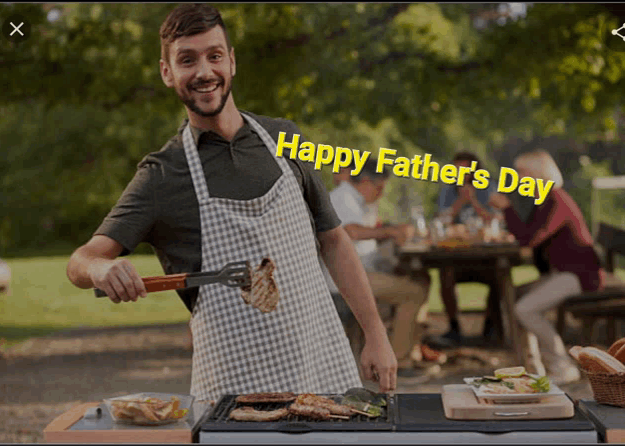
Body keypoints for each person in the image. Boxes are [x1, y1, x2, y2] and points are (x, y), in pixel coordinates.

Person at [65, 3, 398, 401]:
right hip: (234, 395)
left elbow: (334, 242)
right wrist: (101, 269)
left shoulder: (284, 139)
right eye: (187, 60)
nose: (204, 72)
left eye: (214, 56)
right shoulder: (163, 174)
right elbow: (80, 261)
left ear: (232, 62)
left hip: (321, 366)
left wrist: (376, 334)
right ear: (167, 73)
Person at [488, 149, 605, 384]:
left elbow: (529, 239)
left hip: (579, 276)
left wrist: (507, 208)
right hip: (562, 273)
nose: (518, 176)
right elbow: (528, 234)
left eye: (522, 171)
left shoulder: (556, 200)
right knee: (514, 295)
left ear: (537, 173)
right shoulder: (545, 199)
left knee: (524, 308)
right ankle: (531, 365)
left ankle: (561, 366)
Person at [323, 159, 446, 379]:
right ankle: (401, 359)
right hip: (345, 279)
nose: (380, 194)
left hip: (360, 272)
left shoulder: (355, 200)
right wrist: (390, 232)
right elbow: (352, 232)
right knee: (413, 291)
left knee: (420, 280)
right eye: (379, 188)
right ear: (367, 182)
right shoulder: (343, 197)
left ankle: (413, 349)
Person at [435, 152, 499, 346]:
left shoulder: (488, 188)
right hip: (455, 256)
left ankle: (492, 326)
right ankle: (454, 327)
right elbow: (442, 221)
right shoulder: (448, 190)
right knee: (444, 274)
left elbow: (495, 221)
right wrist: (460, 201)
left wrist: (473, 201)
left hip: (483, 256)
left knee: (498, 275)